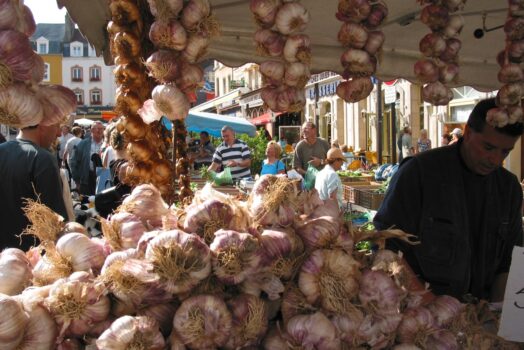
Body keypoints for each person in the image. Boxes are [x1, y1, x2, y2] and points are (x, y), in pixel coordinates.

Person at [374, 98, 523, 303]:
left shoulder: (509, 188)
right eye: (488, 148)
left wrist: (496, 314)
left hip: (479, 320)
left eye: (505, 151)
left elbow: (509, 261)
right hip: (420, 317)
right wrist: (431, 306)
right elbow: (386, 245)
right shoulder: (419, 173)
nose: (496, 160)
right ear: (468, 132)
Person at [0, 123, 68, 250]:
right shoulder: (43, 158)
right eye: (56, 126)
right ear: (43, 125)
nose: (59, 133)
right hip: (32, 258)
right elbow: (56, 222)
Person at [70, 121, 105, 195]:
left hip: (103, 178)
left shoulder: (106, 144)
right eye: (97, 128)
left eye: (102, 129)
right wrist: (77, 180)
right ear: (92, 130)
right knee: (87, 203)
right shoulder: (83, 144)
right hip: (87, 178)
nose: (100, 131)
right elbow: (73, 161)